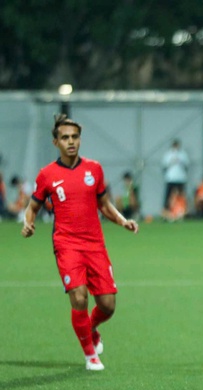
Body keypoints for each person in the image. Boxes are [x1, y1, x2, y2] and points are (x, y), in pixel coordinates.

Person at [21, 114, 139, 371]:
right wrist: (28, 223)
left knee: (108, 305)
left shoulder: (94, 169)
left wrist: (122, 221)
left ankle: (92, 327)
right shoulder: (47, 175)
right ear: (56, 142)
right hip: (66, 244)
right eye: (65, 137)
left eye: (74, 137)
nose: (71, 142)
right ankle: (90, 355)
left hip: (95, 244)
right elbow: (32, 207)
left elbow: (104, 205)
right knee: (79, 297)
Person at [161, 139, 190, 211]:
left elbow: (187, 165)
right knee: (168, 196)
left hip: (180, 178)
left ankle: (182, 210)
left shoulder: (183, 154)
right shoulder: (168, 154)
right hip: (171, 178)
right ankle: (166, 210)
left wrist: (179, 160)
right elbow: (164, 165)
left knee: (181, 196)